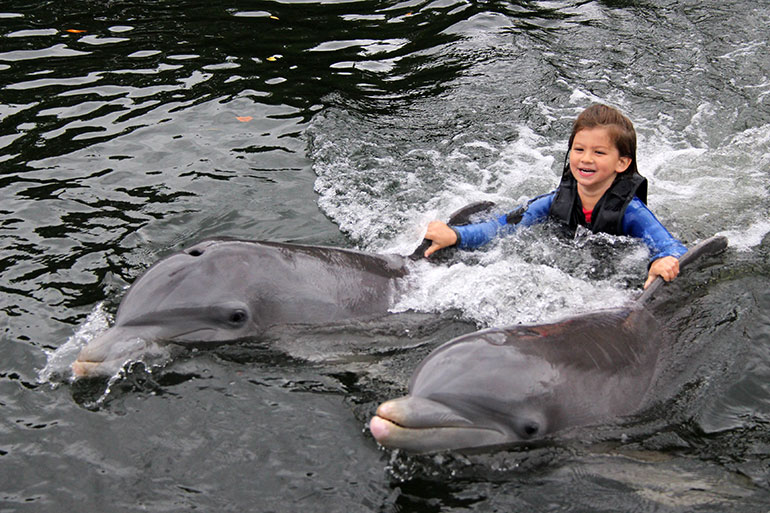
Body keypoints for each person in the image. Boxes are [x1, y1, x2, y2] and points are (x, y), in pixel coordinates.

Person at [421, 104, 687, 289]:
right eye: (579, 149)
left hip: (618, 271)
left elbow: (672, 247)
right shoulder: (554, 202)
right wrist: (456, 235)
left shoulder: (632, 212)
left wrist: (663, 260)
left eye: (599, 153)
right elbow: (503, 227)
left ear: (622, 163)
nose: (585, 159)